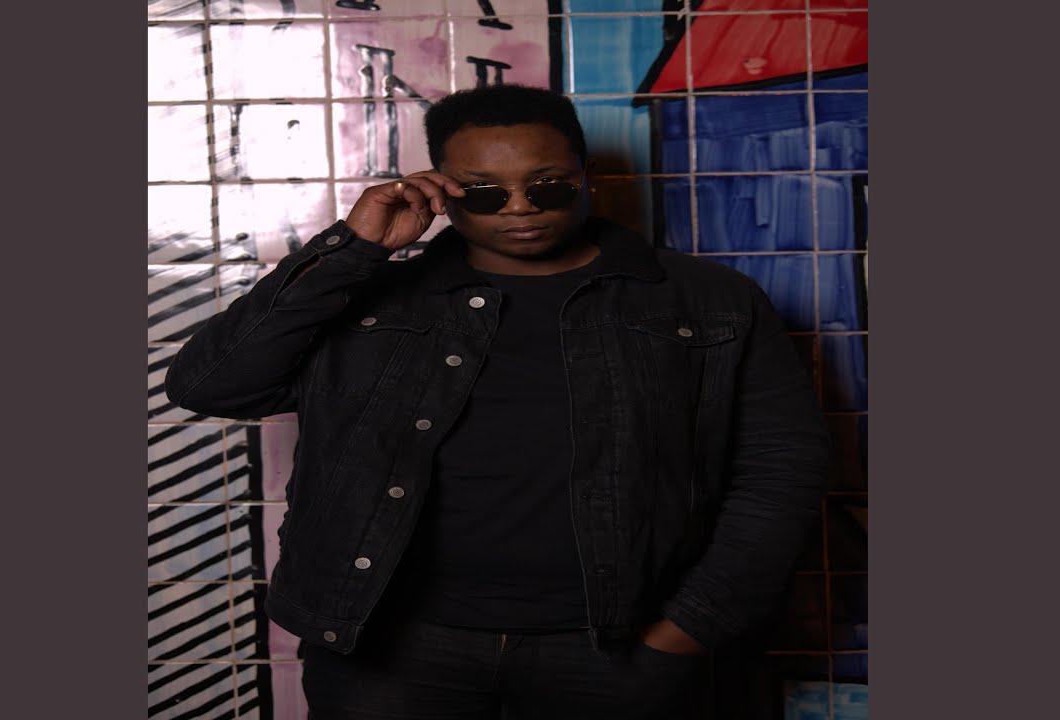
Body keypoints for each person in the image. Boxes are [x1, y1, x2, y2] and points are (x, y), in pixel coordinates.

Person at [165, 84, 829, 719]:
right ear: (441, 189)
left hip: (615, 647)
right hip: (387, 645)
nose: (519, 207)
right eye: (484, 192)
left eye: (547, 185)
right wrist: (354, 250)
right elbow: (211, 385)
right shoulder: (370, 299)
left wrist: (690, 627)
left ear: (587, 176)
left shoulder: (708, 300)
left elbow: (781, 470)